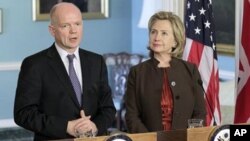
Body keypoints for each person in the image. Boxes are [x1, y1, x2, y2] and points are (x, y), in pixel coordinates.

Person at [14, 2, 116, 140]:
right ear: (52, 30)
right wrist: (66, 126)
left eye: (77, 24)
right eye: (65, 25)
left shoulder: (97, 61)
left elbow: (108, 108)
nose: (73, 30)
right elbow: (23, 114)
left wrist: (95, 126)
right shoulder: (34, 65)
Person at [125, 11, 206, 133]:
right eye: (153, 32)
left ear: (175, 41)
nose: (157, 37)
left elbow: (200, 113)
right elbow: (132, 117)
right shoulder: (137, 73)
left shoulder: (191, 70)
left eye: (164, 33)